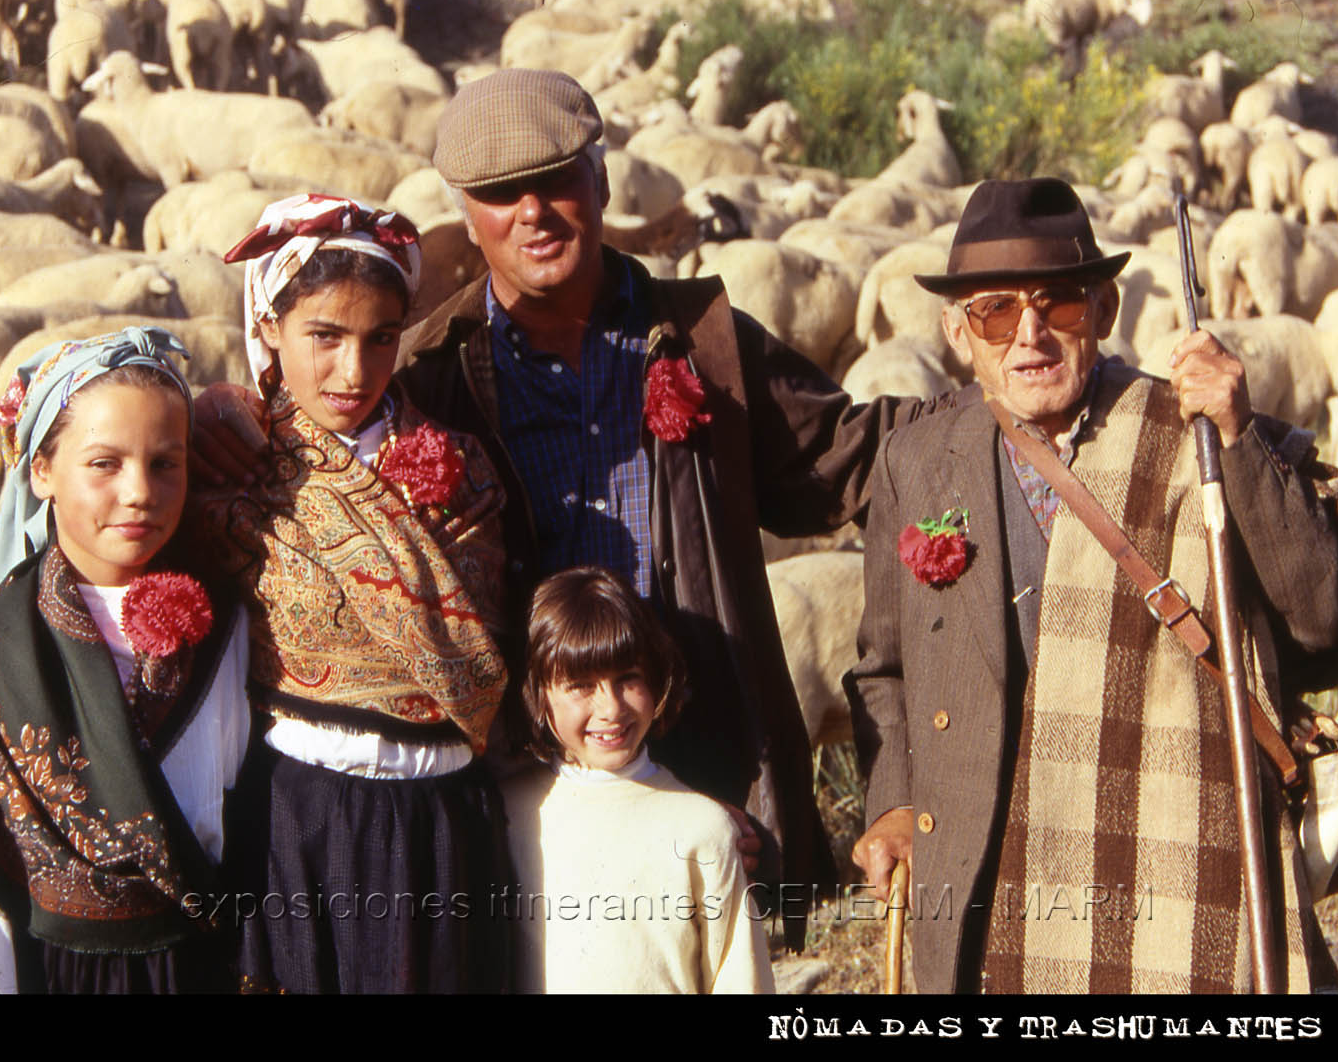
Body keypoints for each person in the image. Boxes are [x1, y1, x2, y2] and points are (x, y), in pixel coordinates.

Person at [361, 68, 961, 946]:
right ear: (465, 212)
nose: (532, 211)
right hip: (533, 793)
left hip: (713, 769)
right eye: (499, 194)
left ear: (600, 182)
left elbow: (861, 458)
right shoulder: (434, 380)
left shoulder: (707, 344)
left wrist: (1018, 407)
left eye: (557, 180)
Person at [843, 177, 1338, 994]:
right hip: (984, 866)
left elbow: (1324, 620)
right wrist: (891, 803)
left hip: (1163, 850)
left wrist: (1236, 434)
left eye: (1059, 305)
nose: (1029, 334)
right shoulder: (916, 461)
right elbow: (883, 668)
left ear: (1105, 311)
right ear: (954, 329)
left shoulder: (1197, 436)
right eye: (995, 311)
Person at [186, 192, 513, 993]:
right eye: (323, 336)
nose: (354, 371)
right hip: (299, 814)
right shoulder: (232, 472)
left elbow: (485, 623)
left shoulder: (459, 469)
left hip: (442, 811)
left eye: (380, 339)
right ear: (268, 327)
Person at [0, 327, 253, 993]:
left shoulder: (225, 624)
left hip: (202, 956)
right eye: (104, 463)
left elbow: (251, 798)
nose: (140, 491)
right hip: (60, 968)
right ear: (41, 470)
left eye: (166, 462)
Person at [500, 565, 774, 993]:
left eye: (628, 678)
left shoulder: (703, 829)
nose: (611, 708)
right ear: (538, 694)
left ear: (657, 675)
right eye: (581, 685)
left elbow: (741, 979)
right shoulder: (511, 815)